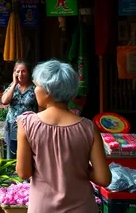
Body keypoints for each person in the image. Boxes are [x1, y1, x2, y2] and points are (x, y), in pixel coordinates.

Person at [17, 60, 111, 213]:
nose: (35, 90)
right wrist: (78, 167)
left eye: (37, 86)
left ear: (48, 92)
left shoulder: (27, 123)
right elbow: (103, 179)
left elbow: (23, 172)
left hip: (43, 207)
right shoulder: (88, 127)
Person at [1, 60, 37, 159]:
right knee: (11, 155)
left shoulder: (35, 89)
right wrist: (13, 84)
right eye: (17, 71)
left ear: (29, 73)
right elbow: (4, 101)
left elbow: (41, 109)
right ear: (14, 73)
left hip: (29, 127)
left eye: (23, 71)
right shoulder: (12, 88)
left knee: (25, 156)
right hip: (12, 125)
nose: (20, 74)